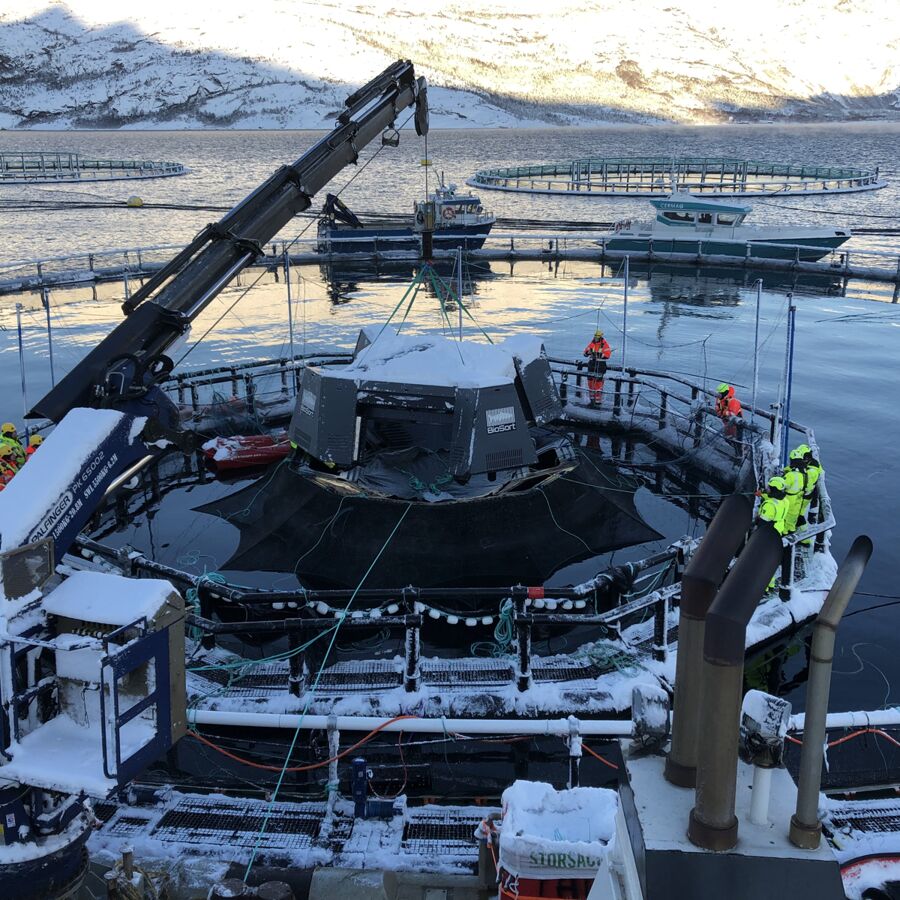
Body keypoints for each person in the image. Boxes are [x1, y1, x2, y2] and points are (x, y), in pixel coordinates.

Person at [583, 329, 611, 407]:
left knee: (598, 384)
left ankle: (598, 402)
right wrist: (587, 353)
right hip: (591, 365)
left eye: (597, 336)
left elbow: (607, 355)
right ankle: (592, 400)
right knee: (590, 383)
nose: (596, 338)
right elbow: (585, 352)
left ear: (601, 336)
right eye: (595, 336)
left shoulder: (605, 344)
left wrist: (598, 354)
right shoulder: (592, 343)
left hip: (600, 365)